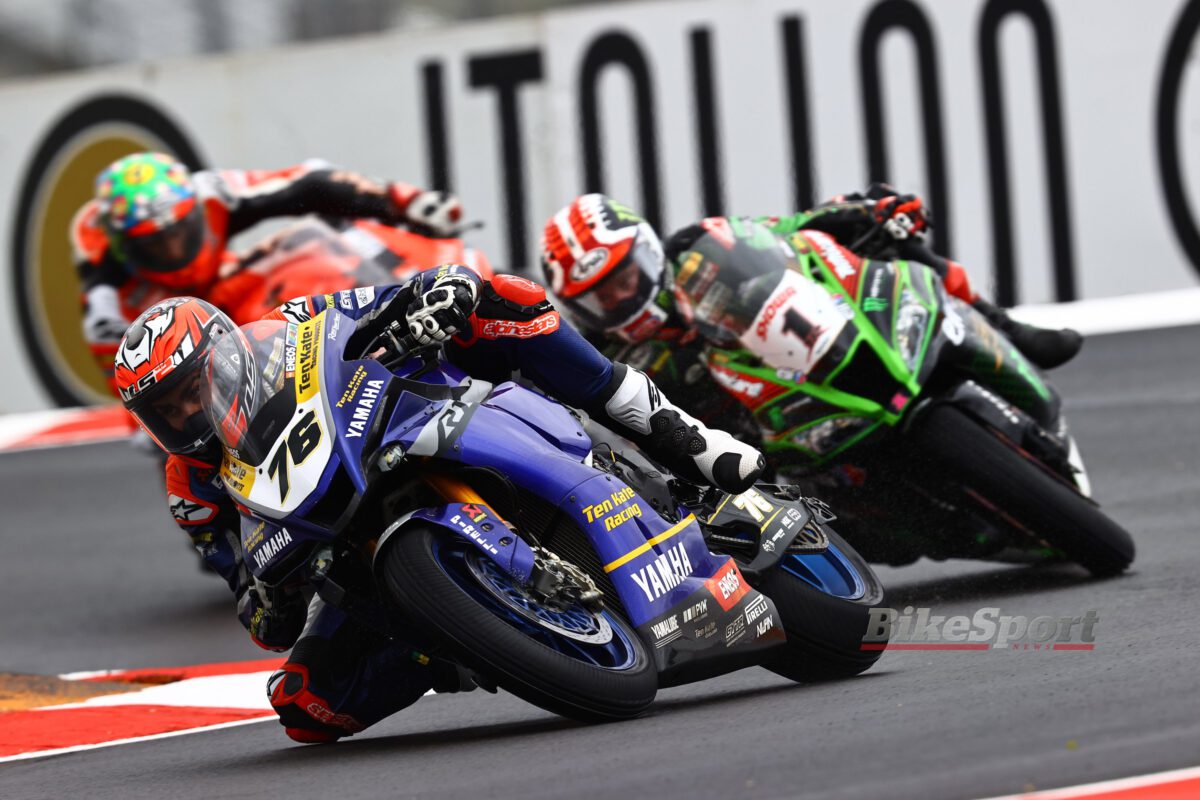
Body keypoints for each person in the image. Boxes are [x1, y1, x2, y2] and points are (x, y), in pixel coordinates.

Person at [113, 265, 764, 743]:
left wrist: (432, 297)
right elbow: (247, 596)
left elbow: (395, 293)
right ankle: (457, 639)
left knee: (503, 296)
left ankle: (683, 441)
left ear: (225, 358)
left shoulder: (288, 326)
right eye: (164, 412)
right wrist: (265, 597)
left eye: (189, 393)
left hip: (408, 424)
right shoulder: (190, 490)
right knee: (306, 705)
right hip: (340, 539)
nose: (185, 415)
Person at [538, 188, 1081, 373]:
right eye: (600, 296)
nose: (620, 298)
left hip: (815, 356)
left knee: (884, 219)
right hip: (771, 453)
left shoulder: (694, 251)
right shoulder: (608, 357)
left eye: (624, 278)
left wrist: (866, 210)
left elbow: (787, 232)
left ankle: (1004, 328)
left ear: (648, 253)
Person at [74, 151, 464, 394]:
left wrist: (403, 201)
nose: (174, 250)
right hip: (163, 317)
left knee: (305, 244)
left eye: (181, 232)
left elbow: (310, 181)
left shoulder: (211, 191)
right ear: (125, 245)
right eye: (156, 244)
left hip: (223, 284)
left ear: (194, 210)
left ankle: (411, 287)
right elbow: (101, 319)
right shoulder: (100, 261)